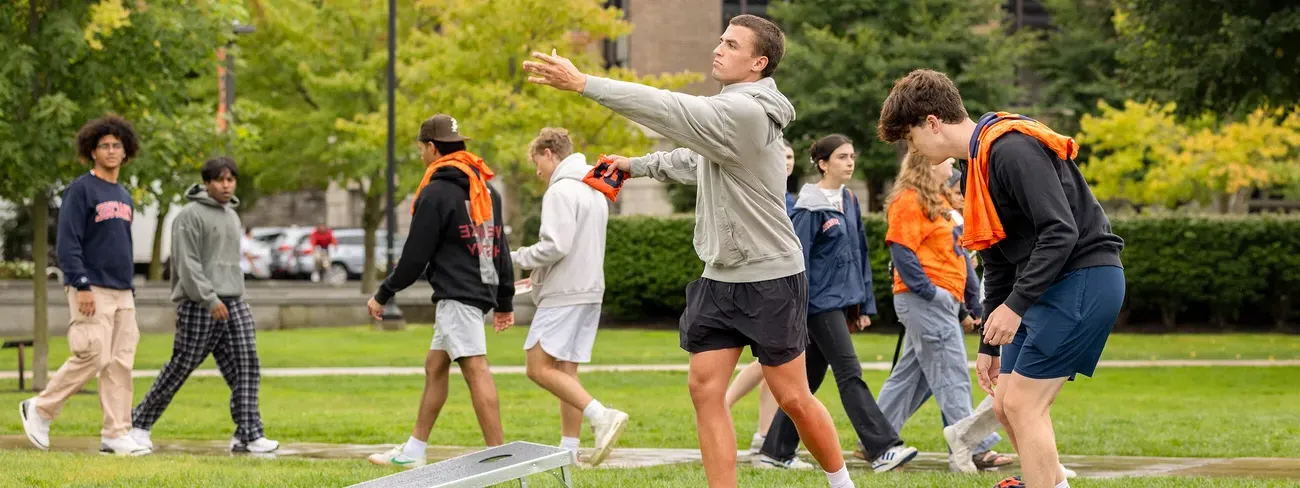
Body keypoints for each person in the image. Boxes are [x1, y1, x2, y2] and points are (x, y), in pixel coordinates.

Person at [524, 14, 853, 488]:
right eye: (721, 39)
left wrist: (584, 83)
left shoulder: (748, 112)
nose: (718, 48)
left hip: (770, 276)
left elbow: (669, 109)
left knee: (793, 397)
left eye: (732, 44)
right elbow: (694, 157)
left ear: (758, 62)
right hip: (720, 277)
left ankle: (842, 482)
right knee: (704, 388)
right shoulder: (728, 110)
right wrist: (636, 165)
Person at [877, 68, 1125, 488]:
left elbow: (1060, 230)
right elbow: (998, 262)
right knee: (1007, 405)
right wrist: (991, 343)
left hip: (1084, 277)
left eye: (909, 137)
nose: (911, 148)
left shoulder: (1010, 149)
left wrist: (1015, 308)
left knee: (1025, 406)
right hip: (1048, 284)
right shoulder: (978, 166)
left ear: (932, 123)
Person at [757, 134, 918, 473]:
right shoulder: (808, 207)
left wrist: (862, 308)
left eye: (852, 156)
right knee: (850, 373)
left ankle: (776, 451)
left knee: (809, 380)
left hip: (840, 304)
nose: (850, 162)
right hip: (815, 305)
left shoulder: (849, 199)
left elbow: (858, 253)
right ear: (822, 163)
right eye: (842, 157)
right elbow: (795, 263)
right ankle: (883, 448)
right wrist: (795, 313)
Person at [365, 114, 516, 468]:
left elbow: (415, 256)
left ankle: (501, 456)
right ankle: (414, 451)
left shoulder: (436, 192)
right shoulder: (486, 189)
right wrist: (504, 299)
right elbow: (500, 247)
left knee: (475, 367)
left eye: (421, 149)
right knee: (435, 365)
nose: (421, 155)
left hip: (457, 294)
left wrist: (383, 293)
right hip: (476, 292)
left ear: (432, 148)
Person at [20, 115, 150, 456]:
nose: (111, 150)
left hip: (123, 290)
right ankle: (40, 408)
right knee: (93, 354)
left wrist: (129, 290)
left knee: (120, 364)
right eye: (104, 145)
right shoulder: (81, 190)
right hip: (91, 287)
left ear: (126, 152)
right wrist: (81, 285)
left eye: (116, 145)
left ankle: (116, 433)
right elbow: (67, 244)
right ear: (92, 152)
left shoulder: (123, 194)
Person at [129, 157, 279, 454]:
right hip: (200, 303)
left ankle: (248, 434)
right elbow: (187, 264)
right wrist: (209, 298)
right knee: (182, 366)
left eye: (231, 179)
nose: (227, 185)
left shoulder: (232, 217)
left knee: (246, 365)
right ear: (207, 183)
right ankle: (139, 425)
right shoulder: (189, 216)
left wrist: (232, 296)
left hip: (234, 301)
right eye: (221, 180)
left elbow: (230, 265)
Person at [513, 127, 629, 466]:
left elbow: (555, 246)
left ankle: (601, 415)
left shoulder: (561, 190)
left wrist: (516, 257)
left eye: (538, 163)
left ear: (549, 153)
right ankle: (567, 451)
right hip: (590, 290)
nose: (537, 172)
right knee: (566, 371)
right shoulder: (593, 188)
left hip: (564, 292)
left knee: (537, 367)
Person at [873, 153, 983, 471]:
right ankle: (972, 447)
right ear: (929, 165)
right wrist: (933, 293)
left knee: (911, 377)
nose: (952, 167)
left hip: (942, 299)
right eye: (946, 162)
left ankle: (876, 439)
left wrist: (967, 304)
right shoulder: (908, 200)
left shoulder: (939, 201)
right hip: (927, 300)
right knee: (952, 373)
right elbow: (902, 252)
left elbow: (957, 257)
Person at [723, 136, 795, 455]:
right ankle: (721, 404)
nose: (788, 161)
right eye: (784, 155)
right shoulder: (765, 195)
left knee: (773, 367)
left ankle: (763, 434)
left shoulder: (790, 199)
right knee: (769, 361)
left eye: (792, 156)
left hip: (788, 284)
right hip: (764, 283)